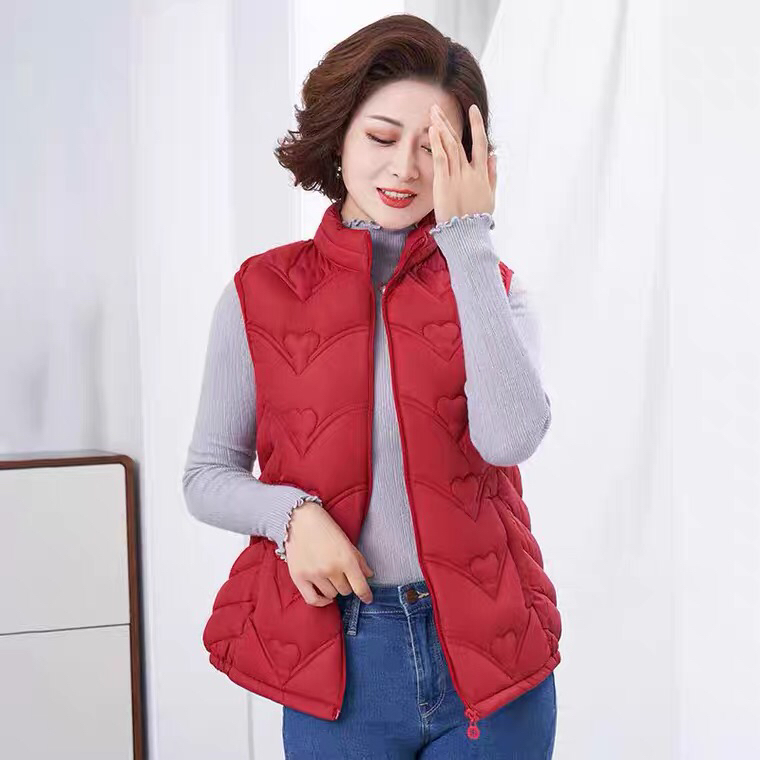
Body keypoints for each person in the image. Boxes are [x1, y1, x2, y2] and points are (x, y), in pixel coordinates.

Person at [184, 13, 559, 758]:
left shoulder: (494, 287)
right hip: (340, 663)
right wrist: (290, 516)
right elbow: (206, 477)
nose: (405, 170)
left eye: (433, 148)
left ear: (469, 160)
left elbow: (510, 438)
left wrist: (468, 239)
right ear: (340, 136)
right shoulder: (258, 293)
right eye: (382, 138)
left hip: (490, 662)